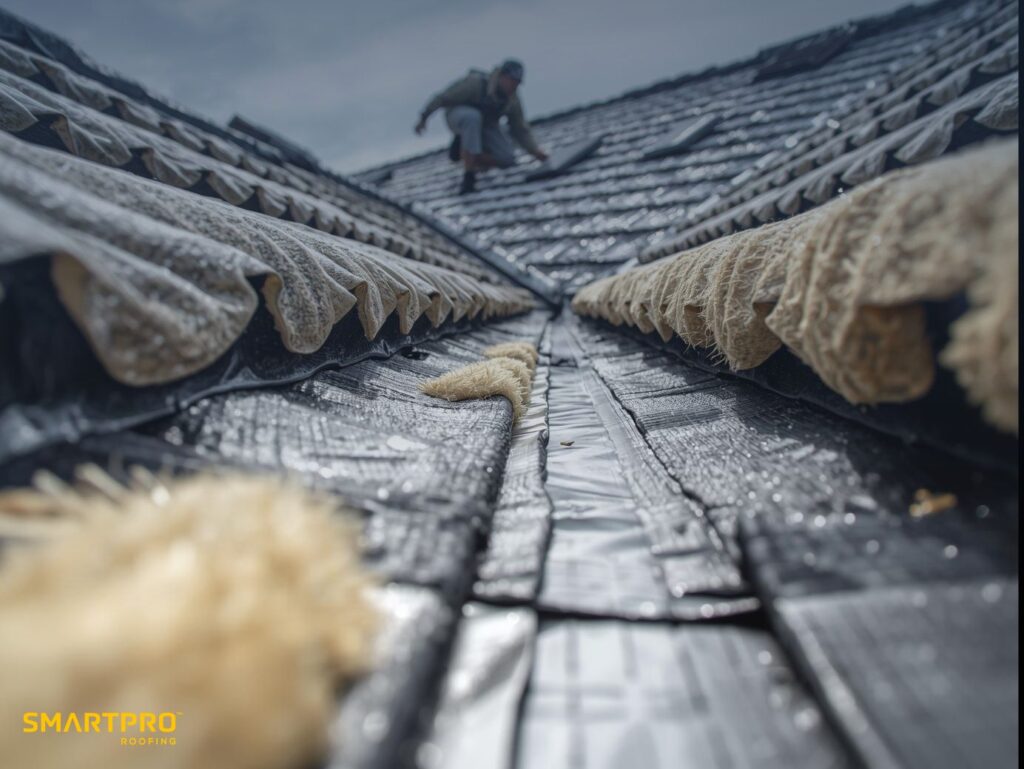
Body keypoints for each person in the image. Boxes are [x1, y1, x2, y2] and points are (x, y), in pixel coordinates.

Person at [415, 59, 549, 194]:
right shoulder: (476, 83)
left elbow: (519, 128)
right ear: (502, 76)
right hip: (459, 117)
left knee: (507, 158)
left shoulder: (512, 100)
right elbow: (442, 98)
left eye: (517, 83)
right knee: (472, 117)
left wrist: (536, 152)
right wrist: (423, 118)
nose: (513, 86)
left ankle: (465, 151)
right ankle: (469, 174)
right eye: (511, 81)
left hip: (484, 126)